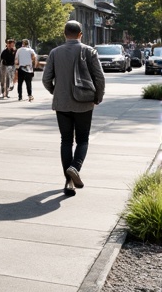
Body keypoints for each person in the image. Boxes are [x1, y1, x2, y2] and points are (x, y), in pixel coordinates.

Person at [41, 20, 105, 197]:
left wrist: (57, 92)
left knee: (66, 140)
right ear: (80, 34)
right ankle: (74, 167)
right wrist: (97, 97)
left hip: (62, 104)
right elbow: (99, 78)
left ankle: (69, 183)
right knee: (83, 140)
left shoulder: (54, 53)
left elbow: (46, 80)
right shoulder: (89, 51)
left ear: (64, 34)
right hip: (84, 103)